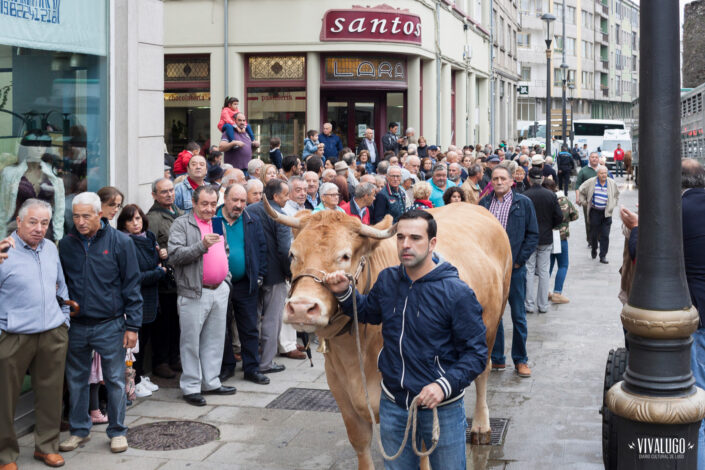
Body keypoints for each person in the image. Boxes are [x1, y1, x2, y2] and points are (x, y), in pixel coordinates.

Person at [325, 210, 487, 470]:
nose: (406, 245)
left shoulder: (457, 293)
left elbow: (476, 354)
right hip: (394, 404)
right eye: (400, 237)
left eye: (415, 238)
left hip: (441, 408)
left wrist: (443, 386)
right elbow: (369, 312)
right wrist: (345, 292)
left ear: (432, 243)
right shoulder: (388, 280)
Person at [59, 192, 142, 454]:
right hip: (78, 325)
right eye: (76, 216)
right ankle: (79, 431)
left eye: (86, 215)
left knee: (115, 380)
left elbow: (132, 285)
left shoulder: (120, 242)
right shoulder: (66, 244)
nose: (80, 221)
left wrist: (133, 326)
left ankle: (117, 431)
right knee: (76, 380)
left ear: (99, 214)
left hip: (111, 323)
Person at [0, 200, 70, 469]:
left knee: (51, 394)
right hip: (13, 335)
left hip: (52, 333)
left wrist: (64, 322)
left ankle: (46, 446)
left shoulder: (51, 248)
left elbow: (61, 287)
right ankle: (5, 455)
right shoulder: (5, 251)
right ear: (18, 222)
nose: (39, 228)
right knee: (5, 399)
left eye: (44, 223)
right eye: (33, 222)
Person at [168, 185, 235, 406]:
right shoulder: (181, 224)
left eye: (213, 204)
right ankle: (191, 387)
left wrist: (226, 278)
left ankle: (211, 381)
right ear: (194, 203)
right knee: (191, 342)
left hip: (219, 290)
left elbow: (224, 249)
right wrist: (201, 246)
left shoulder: (216, 222)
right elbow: (175, 255)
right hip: (194, 291)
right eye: (204, 204)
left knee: (215, 339)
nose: (209, 208)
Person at [479, 167, 539, 378]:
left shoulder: (523, 203)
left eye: (503, 178)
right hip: (491, 270)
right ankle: (497, 359)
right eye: (495, 178)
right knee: (494, 315)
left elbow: (533, 235)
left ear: (511, 181)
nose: (498, 181)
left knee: (518, 315)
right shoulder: (484, 204)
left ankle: (521, 360)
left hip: (514, 269)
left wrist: (518, 261)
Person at [216, 184, 271, 384]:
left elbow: (261, 249)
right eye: (235, 200)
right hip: (219, 283)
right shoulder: (214, 220)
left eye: (242, 201)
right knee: (222, 327)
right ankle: (227, 366)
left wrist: (260, 276)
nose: (239, 205)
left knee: (249, 327)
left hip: (245, 283)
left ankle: (252, 369)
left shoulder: (251, 220)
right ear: (225, 199)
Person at [117, 204, 166, 398]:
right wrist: (158, 272)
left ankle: (140, 376)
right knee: (136, 342)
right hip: (137, 298)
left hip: (152, 296)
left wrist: (161, 255)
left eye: (138, 218)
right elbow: (134, 276)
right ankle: (133, 381)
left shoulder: (149, 237)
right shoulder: (126, 242)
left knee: (146, 340)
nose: (135, 223)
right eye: (130, 220)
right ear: (124, 224)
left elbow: (155, 261)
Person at [247, 179, 291, 374]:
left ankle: (251, 360)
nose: (288, 199)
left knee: (253, 319)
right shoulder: (280, 216)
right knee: (272, 320)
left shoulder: (249, 210)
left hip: (251, 273)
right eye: (286, 195)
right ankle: (266, 363)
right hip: (275, 275)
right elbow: (284, 250)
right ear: (275, 196)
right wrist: (289, 273)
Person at [146, 178, 183, 379]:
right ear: (154, 195)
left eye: (171, 190)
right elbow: (149, 247)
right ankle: (161, 362)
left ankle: (174, 357)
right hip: (164, 281)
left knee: (176, 323)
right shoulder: (152, 218)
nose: (169, 194)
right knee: (164, 325)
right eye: (163, 192)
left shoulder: (178, 212)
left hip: (180, 278)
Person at [522, 167, 564, 314]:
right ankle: (543, 305)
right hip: (545, 237)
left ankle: (528, 304)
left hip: (529, 237)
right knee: (544, 271)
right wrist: (549, 226)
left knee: (529, 270)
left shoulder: (525, 195)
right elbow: (559, 216)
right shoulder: (550, 195)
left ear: (529, 179)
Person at [542, 179, 579, 304]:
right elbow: (575, 215)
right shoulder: (563, 200)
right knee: (563, 265)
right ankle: (557, 293)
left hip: (546, 236)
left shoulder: (542, 200)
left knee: (548, 266)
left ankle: (544, 292)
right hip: (560, 236)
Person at [578, 165, 620, 264]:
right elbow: (581, 189)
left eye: (605, 173)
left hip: (606, 213)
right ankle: (594, 248)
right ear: (598, 174)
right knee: (594, 234)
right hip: (595, 212)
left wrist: (612, 205)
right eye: (601, 173)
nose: (604, 175)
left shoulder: (611, 182)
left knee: (605, 235)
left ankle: (603, 256)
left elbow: (616, 195)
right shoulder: (591, 182)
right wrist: (584, 202)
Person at [575, 152, 600, 246]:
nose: (594, 159)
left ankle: (598, 238)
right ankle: (590, 239)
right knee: (589, 220)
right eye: (592, 157)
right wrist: (578, 198)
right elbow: (578, 186)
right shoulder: (583, 170)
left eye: (596, 157)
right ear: (589, 158)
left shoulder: (602, 170)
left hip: (601, 199)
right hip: (587, 200)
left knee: (600, 220)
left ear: (599, 159)